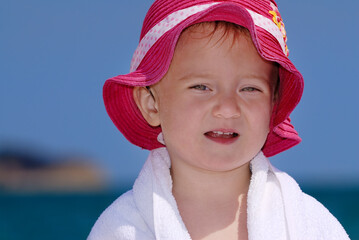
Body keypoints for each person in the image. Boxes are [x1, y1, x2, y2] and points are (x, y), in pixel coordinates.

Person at [88, 0, 349, 239]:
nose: (227, 108)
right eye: (201, 87)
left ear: (273, 105)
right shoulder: (123, 229)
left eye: (250, 89)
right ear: (152, 104)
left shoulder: (307, 223)